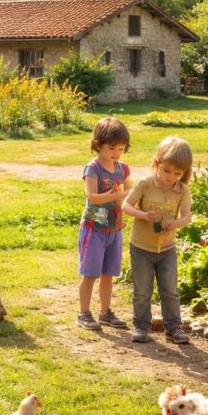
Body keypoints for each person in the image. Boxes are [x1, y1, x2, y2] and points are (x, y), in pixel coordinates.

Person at [122, 136, 193, 344]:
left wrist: (175, 223)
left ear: (184, 173)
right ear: (157, 164)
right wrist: (142, 215)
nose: (170, 177)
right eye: (166, 171)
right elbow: (125, 206)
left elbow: (187, 217)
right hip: (141, 247)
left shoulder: (183, 191)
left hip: (167, 249)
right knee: (142, 291)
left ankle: (173, 328)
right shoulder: (145, 184)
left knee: (170, 290)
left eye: (177, 173)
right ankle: (141, 326)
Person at [77, 117, 132, 331]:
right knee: (90, 273)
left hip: (115, 228)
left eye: (121, 148)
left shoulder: (123, 168)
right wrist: (113, 195)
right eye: (112, 148)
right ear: (98, 144)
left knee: (109, 273)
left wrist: (126, 195)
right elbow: (91, 196)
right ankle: (83, 313)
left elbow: (130, 191)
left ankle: (105, 312)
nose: (116, 153)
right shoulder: (93, 168)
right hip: (94, 228)